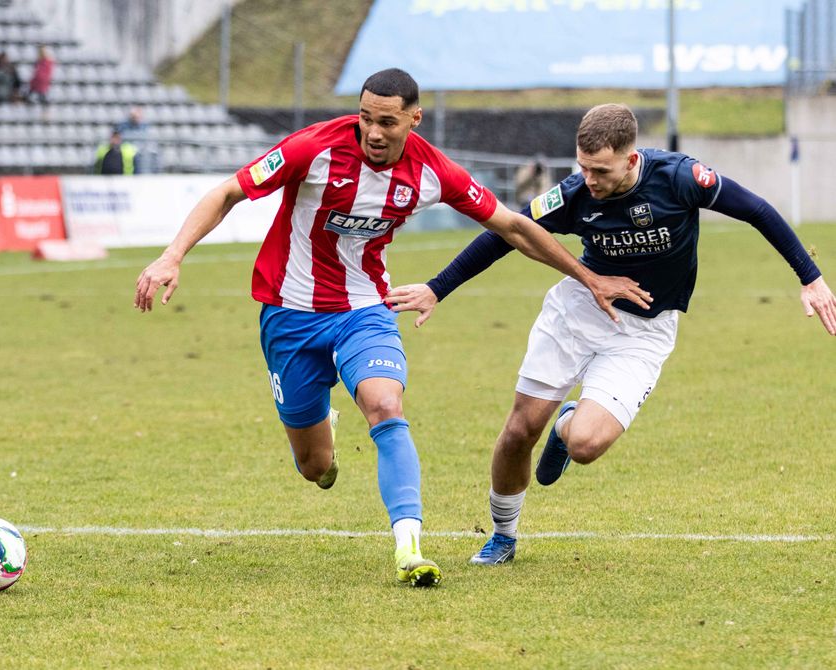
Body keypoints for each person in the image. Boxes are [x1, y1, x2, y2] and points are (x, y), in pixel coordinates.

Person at [133, 72, 649, 587]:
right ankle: (322, 432)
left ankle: (409, 548)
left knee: (385, 405)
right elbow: (228, 193)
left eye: (386, 121)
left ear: (412, 118)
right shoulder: (312, 149)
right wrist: (172, 256)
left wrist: (588, 277)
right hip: (289, 315)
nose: (373, 132)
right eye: (364, 118)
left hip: (364, 310)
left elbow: (511, 226)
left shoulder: (431, 170)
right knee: (315, 467)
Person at [386, 103, 836, 566]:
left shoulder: (680, 178)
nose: (590, 180)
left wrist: (811, 277)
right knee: (521, 429)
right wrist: (438, 288)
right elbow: (507, 233)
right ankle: (503, 534)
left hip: (645, 329)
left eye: (600, 170)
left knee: (585, 445)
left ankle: (567, 425)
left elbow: (758, 210)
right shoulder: (574, 193)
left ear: (631, 159)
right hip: (577, 313)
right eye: (583, 167)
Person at [116, 106, 157, 173]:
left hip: (141, 152)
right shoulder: (123, 126)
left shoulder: (145, 127)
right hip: (127, 152)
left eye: (138, 117)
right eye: (134, 116)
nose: (136, 119)